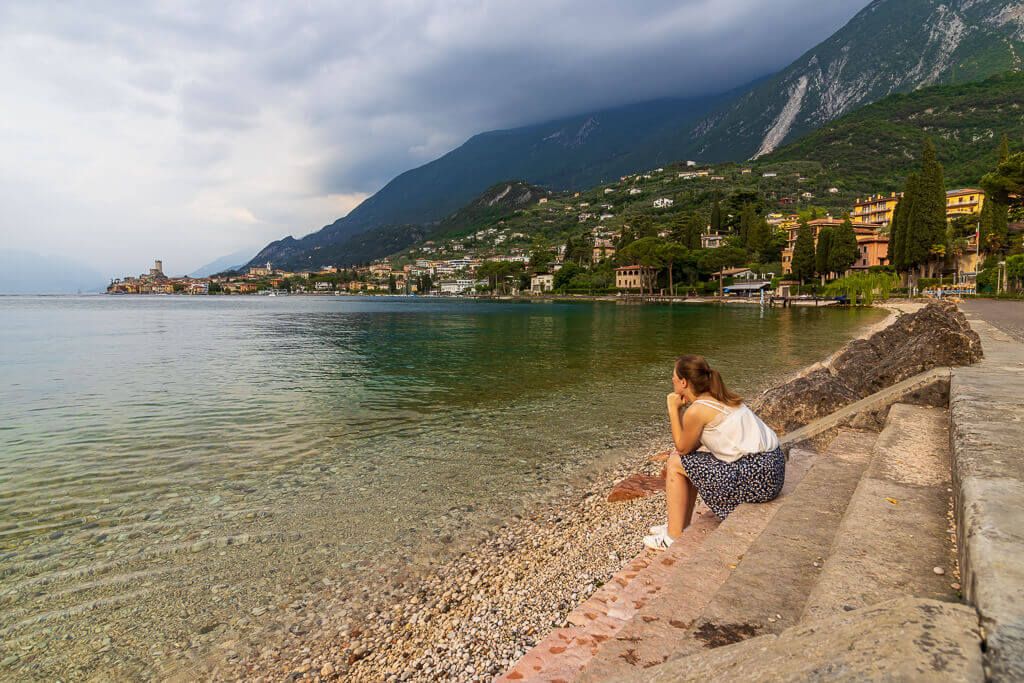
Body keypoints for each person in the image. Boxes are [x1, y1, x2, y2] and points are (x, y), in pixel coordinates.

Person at [644, 354, 784, 550]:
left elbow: (682, 448)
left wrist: (673, 410)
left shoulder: (697, 410)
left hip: (758, 477)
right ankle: (678, 525)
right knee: (687, 461)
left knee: (676, 463)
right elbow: (689, 450)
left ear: (683, 382)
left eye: (673, 378)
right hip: (772, 469)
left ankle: (672, 538)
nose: (672, 382)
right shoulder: (719, 396)